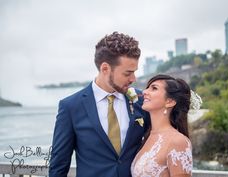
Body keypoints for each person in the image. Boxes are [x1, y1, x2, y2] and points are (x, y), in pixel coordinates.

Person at [49, 32, 150, 177]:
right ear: (105, 69)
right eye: (127, 73)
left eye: (134, 72)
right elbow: (59, 164)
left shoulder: (141, 100)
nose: (133, 78)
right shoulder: (70, 107)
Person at [131, 74, 193, 177]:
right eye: (147, 88)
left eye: (154, 88)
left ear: (170, 101)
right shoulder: (146, 137)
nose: (144, 92)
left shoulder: (178, 141)